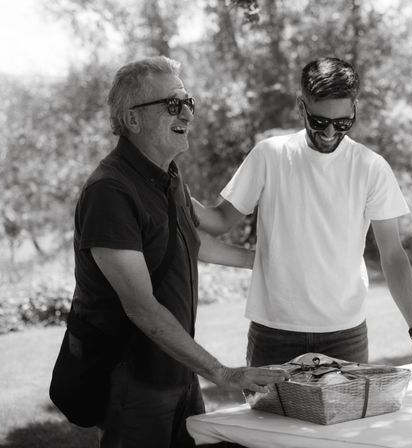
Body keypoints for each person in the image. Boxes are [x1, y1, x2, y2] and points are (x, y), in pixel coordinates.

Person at [69, 56, 287, 448]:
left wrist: (265, 262)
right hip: (132, 380)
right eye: (172, 103)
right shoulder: (110, 192)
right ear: (133, 120)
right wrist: (223, 373)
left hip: (178, 367)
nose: (186, 111)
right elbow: (141, 308)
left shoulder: (166, 174)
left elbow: (192, 241)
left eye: (188, 101)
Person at [193, 57, 412, 377]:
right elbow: (218, 221)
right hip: (274, 333)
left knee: (345, 428)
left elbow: (392, 255)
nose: (328, 132)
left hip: (345, 336)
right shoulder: (269, 155)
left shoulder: (371, 167)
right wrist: (174, 194)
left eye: (341, 123)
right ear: (302, 106)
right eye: (319, 120)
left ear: (355, 110)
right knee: (268, 427)